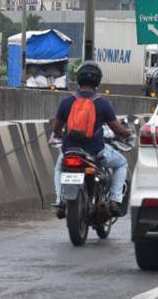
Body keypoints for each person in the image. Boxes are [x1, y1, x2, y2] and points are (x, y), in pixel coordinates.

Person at [51, 61, 132, 218]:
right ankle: (115, 199)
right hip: (96, 151)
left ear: (79, 79)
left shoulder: (67, 102)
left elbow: (56, 129)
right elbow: (117, 130)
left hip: (70, 150)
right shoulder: (102, 104)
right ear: (98, 81)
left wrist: (62, 135)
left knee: (59, 168)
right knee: (122, 163)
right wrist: (129, 134)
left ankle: (60, 201)